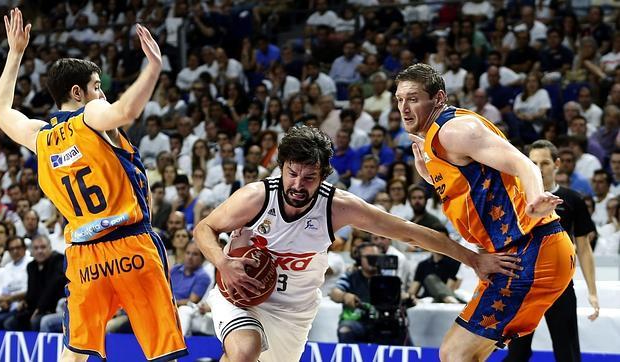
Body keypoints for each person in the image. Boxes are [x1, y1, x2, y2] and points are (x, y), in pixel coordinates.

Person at [194, 126, 521, 362]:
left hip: (294, 311)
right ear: (282, 167)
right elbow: (204, 228)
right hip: (241, 295)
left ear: (323, 175)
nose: (297, 184)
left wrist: (474, 259)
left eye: (309, 177)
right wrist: (223, 263)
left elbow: (410, 232)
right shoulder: (256, 196)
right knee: (245, 350)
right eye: (292, 173)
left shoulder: (338, 206)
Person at [0, 9, 187, 361]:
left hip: (84, 257)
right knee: (162, 353)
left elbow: (1, 112)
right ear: (78, 92)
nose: (103, 94)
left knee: (75, 353)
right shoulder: (92, 115)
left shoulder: (41, 136)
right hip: (131, 246)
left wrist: (15, 53)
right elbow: (125, 112)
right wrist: (153, 69)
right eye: (98, 88)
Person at [397, 63, 575, 361]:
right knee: (469, 355)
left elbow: (524, 164)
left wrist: (534, 200)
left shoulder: (455, 130)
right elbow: (468, 184)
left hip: (530, 250)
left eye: (413, 98)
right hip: (519, 252)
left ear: (438, 99)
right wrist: (428, 174)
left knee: (455, 354)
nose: (403, 107)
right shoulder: (434, 141)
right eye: (399, 99)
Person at [505, 140, 599, 362]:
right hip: (524, 285)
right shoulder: (516, 197)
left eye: (545, 162)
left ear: (556, 164)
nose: (538, 168)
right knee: (517, 353)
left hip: (560, 285)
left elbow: (584, 248)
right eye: (533, 162)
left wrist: (592, 291)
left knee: (567, 352)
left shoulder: (573, 199)